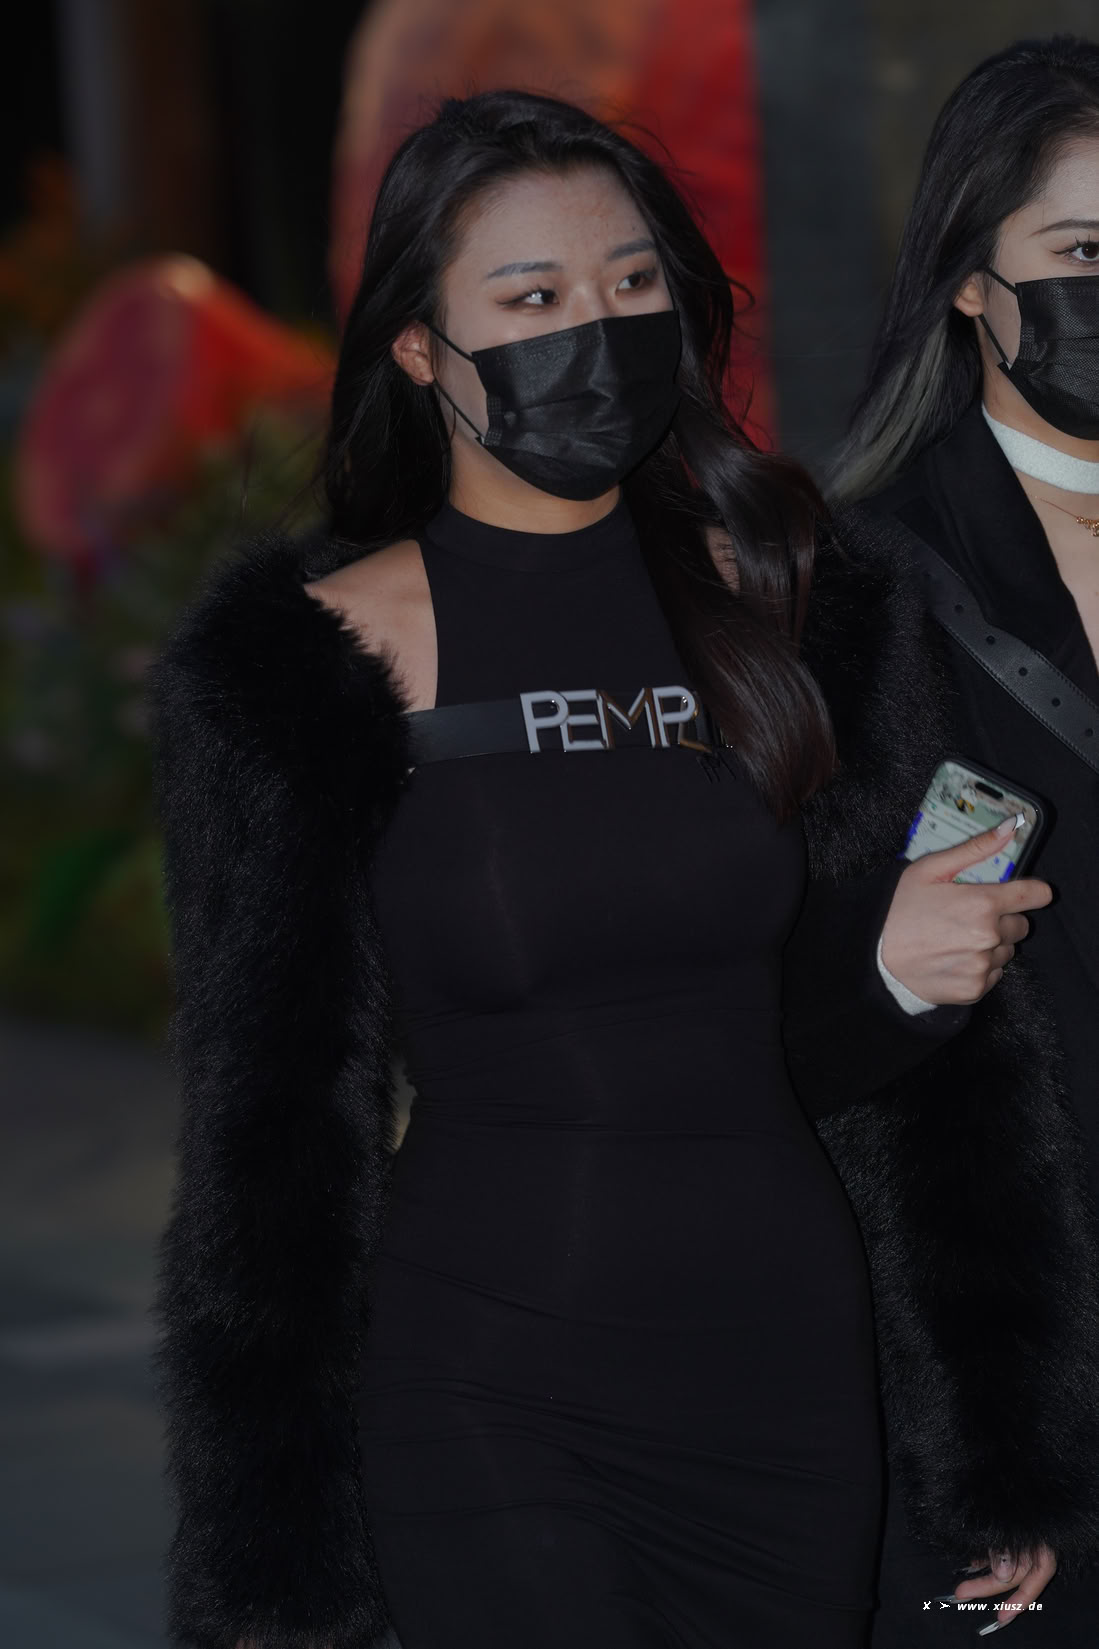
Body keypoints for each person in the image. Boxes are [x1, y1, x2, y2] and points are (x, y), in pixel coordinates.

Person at [147, 91, 1097, 1649]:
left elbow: (931, 1098)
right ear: (420, 349)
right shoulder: (304, 667)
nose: (594, 330)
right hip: (492, 1390)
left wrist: (1004, 1448)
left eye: (633, 281)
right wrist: (271, 1565)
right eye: (532, 299)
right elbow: (269, 1142)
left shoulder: (801, 606)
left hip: (788, 1387)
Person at [832, 34, 1099, 1645]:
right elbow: (836, 1046)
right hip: (1035, 1368)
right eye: (1086, 255)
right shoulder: (858, 585)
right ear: (968, 283)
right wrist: (981, 1444)